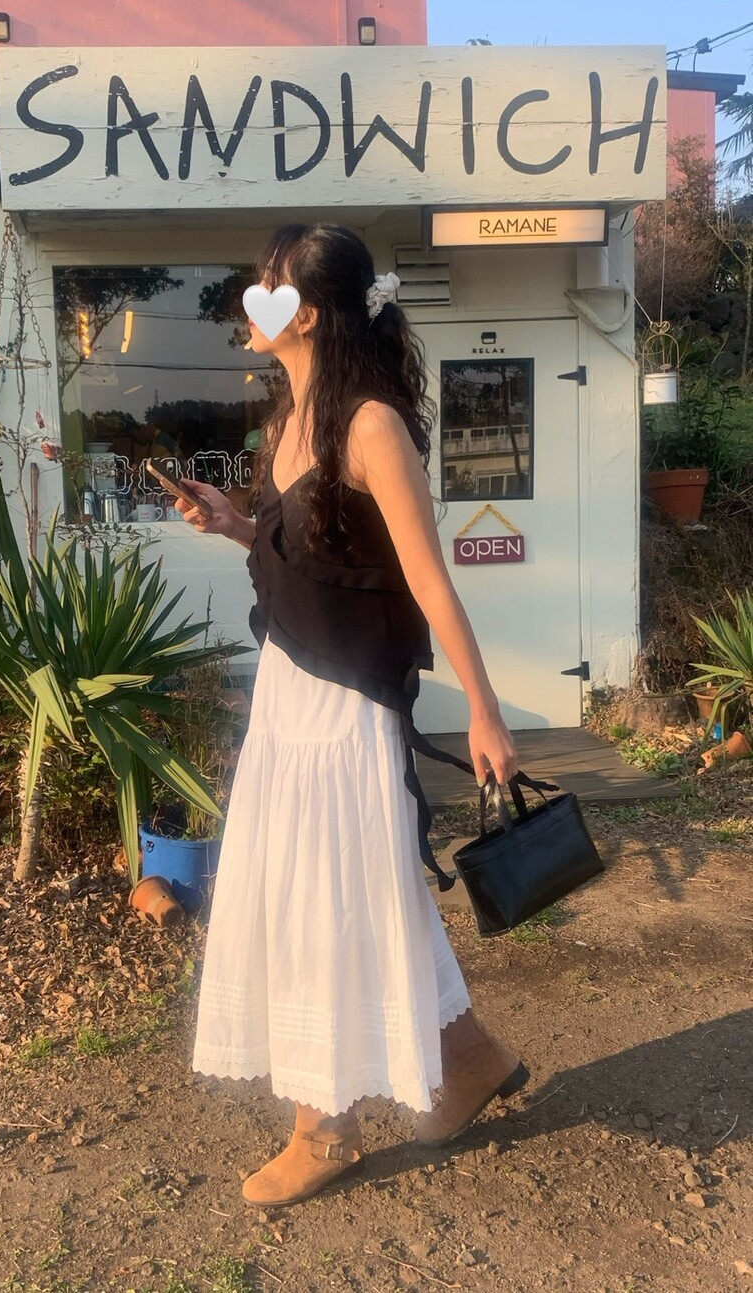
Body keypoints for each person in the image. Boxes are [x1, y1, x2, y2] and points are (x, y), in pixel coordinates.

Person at [177, 224, 527, 1208]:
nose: (253, 301)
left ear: (311, 314)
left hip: (345, 714)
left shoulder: (372, 426)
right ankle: (469, 1060)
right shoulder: (289, 420)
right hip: (290, 697)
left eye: (270, 285)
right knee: (360, 897)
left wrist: (486, 712)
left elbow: (428, 580)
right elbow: (317, 555)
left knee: (322, 908)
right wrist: (234, 524)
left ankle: (325, 1129)